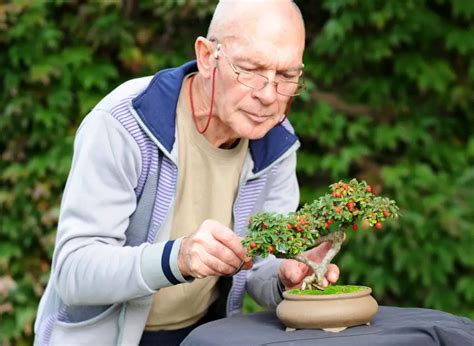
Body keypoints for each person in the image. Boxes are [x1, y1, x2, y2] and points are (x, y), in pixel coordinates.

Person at [34, 1, 340, 344]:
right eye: (251, 70)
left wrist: (285, 278)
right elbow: (75, 271)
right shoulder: (123, 123)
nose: (269, 95)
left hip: (204, 335)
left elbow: (259, 263)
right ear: (208, 56)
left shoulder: (277, 143)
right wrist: (176, 258)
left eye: (286, 75)